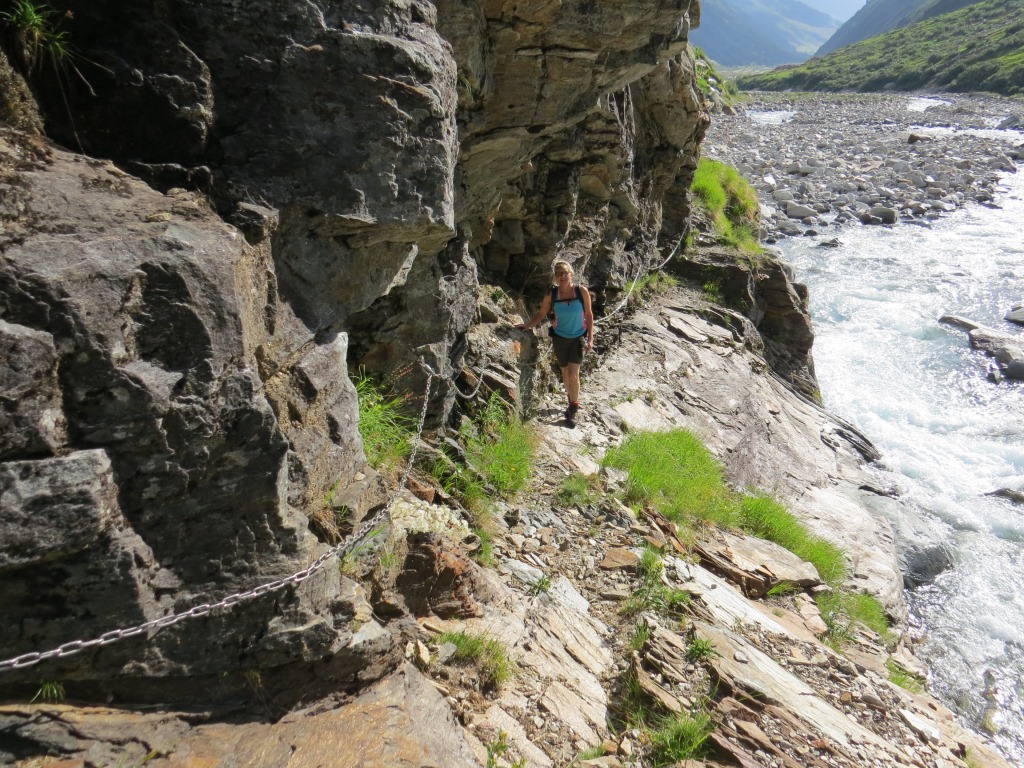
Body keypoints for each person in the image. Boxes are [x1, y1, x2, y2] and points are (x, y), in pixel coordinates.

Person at [516, 260, 594, 424]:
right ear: (555, 277)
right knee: (565, 373)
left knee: (573, 374)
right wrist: (528, 325)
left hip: (578, 338)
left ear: (571, 274)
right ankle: (571, 397)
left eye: (565, 273)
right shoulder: (552, 294)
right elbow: (541, 313)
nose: (562, 276)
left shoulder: (581, 292)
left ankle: (573, 408)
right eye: (559, 274)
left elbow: (588, 314)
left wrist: (590, 338)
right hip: (559, 338)